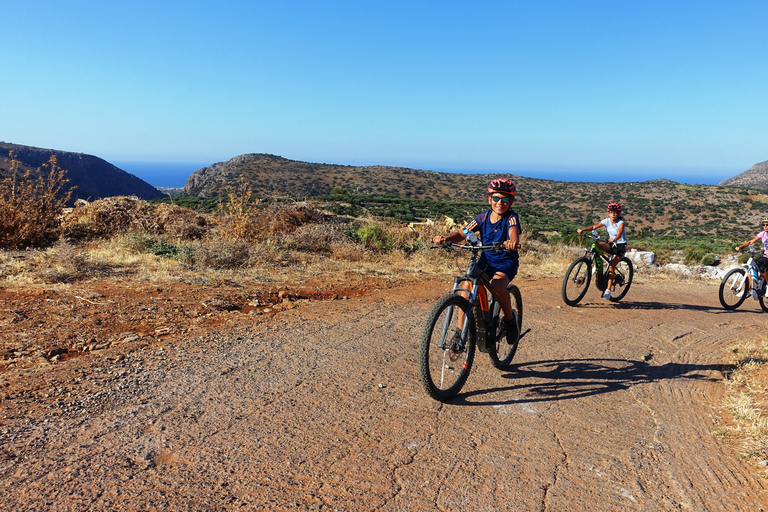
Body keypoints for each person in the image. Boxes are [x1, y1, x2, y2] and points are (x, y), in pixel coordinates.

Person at [431, 178, 521, 345]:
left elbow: (513, 232)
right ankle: (459, 332)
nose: (500, 202)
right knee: (467, 285)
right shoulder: (482, 218)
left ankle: (509, 321)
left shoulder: (511, 218)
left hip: (506, 261)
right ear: (489, 199)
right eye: (496, 198)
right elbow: (462, 233)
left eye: (505, 199)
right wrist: (446, 239)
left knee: (497, 286)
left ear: (511, 201)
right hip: (486, 259)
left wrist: (512, 242)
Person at [577, 202, 627, 300]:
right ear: (608, 213)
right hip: (611, 244)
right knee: (597, 246)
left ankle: (608, 290)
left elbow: (620, 234)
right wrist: (583, 230)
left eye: (615, 212)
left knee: (611, 267)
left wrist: (615, 238)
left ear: (619, 213)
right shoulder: (607, 221)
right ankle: (598, 262)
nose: (613, 214)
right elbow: (594, 227)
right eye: (611, 212)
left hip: (620, 245)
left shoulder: (621, 223)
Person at [734, 217, 768, 299]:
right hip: (765, 256)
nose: (765, 226)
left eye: (767, 225)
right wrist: (741, 246)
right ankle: (746, 290)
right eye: (763, 225)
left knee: (762, 268)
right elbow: (751, 241)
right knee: (752, 268)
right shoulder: (762, 234)